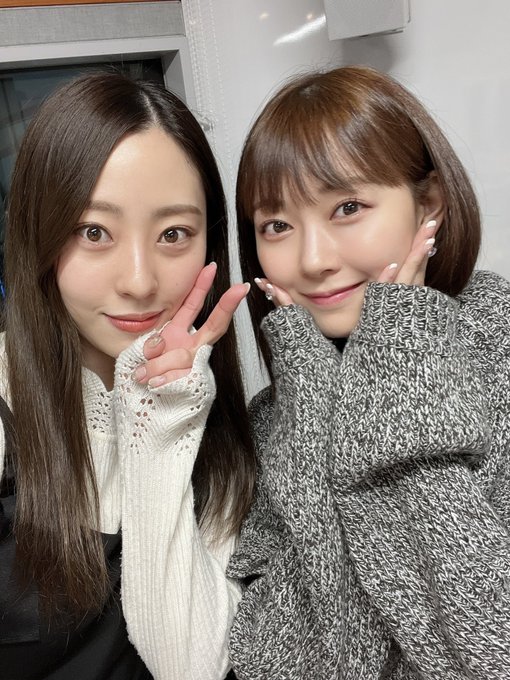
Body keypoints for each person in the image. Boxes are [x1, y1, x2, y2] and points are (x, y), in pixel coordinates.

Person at [227, 65, 510, 679]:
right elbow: (295, 659)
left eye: (348, 207)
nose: (312, 260)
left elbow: (487, 651)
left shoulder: (499, 355)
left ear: (429, 203)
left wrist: (400, 366)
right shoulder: (273, 418)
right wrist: (315, 395)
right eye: (277, 225)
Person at [0, 71, 256, 680]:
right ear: (40, 234)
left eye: (174, 234)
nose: (139, 281)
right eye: (94, 232)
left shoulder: (212, 424)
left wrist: (158, 424)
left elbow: (191, 667)